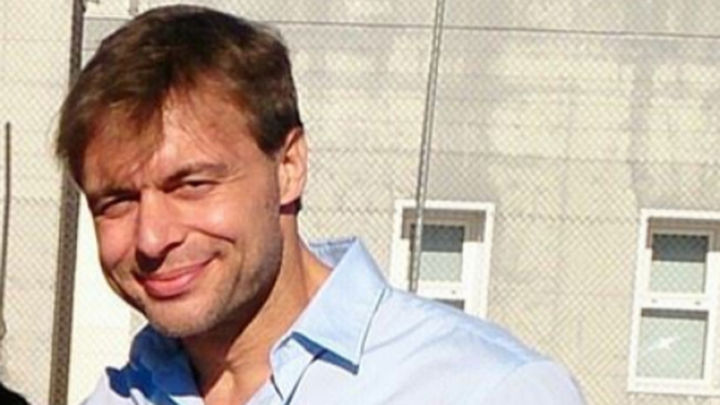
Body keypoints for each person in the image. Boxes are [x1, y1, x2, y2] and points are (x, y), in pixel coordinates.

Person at [56, 5, 585, 404]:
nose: (152, 237)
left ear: (289, 166)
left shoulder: (484, 389)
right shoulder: (119, 396)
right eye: (117, 202)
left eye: (191, 185)